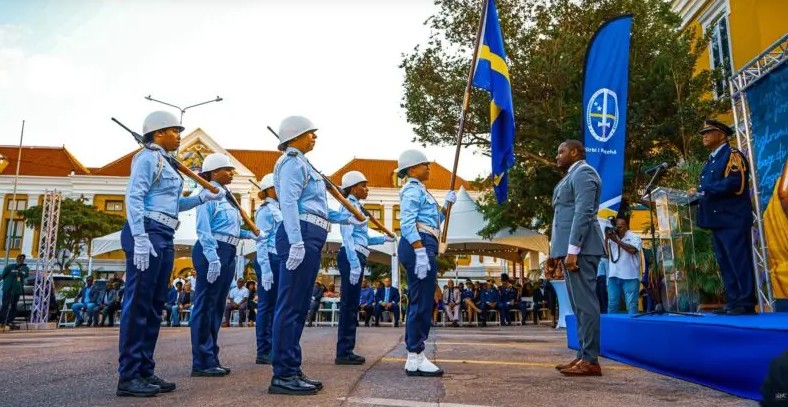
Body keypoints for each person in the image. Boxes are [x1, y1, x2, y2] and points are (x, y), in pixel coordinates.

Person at [118, 111, 224, 397]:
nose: (179, 135)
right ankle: (128, 375)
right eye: (174, 130)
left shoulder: (166, 162)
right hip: (147, 231)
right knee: (138, 304)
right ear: (157, 133)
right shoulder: (147, 157)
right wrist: (139, 236)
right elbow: (135, 196)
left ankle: (144, 370)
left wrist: (202, 197)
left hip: (164, 232)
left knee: (154, 306)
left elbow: (173, 204)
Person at [269, 116, 363, 395]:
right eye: (310, 133)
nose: (314, 137)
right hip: (300, 234)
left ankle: (291, 367)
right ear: (295, 135)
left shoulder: (305, 164)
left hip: (312, 232)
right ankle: (283, 374)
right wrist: (296, 241)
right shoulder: (291, 163)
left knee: (298, 306)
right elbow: (287, 201)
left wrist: (348, 218)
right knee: (290, 304)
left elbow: (319, 210)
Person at [191, 153, 262, 377]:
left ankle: (211, 356)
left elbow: (229, 230)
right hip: (212, 250)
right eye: (227, 170)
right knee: (206, 305)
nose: (232, 173)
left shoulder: (228, 197)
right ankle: (201, 361)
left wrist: (251, 235)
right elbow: (204, 229)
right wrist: (212, 257)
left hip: (228, 250)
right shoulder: (208, 194)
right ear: (213, 173)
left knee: (217, 305)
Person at [546, 139, 604, 377]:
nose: (557, 156)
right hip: (572, 250)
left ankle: (590, 359)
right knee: (579, 306)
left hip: (583, 248)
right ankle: (582, 354)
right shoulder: (570, 176)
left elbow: (583, 211)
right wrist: (555, 253)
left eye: (561, 151)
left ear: (574, 152)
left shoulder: (584, 173)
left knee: (586, 304)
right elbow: (563, 217)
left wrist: (573, 250)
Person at [396, 148, 456, 377]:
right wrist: (420, 251)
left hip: (424, 241)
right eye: (425, 164)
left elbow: (433, 221)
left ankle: (416, 356)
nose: (429, 168)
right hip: (418, 244)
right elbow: (408, 224)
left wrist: (445, 207)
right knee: (421, 300)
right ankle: (415, 355)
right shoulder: (412, 190)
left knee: (422, 299)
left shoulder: (421, 191)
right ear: (412, 169)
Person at [692, 119, 756, 315]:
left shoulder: (732, 155)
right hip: (717, 220)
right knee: (725, 262)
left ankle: (745, 302)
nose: (704, 135)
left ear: (722, 135)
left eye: (708, 132)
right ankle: (733, 300)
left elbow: (734, 183)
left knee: (738, 260)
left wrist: (703, 190)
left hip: (732, 219)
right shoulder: (711, 160)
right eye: (703, 133)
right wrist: (695, 197)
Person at [335, 170, 394, 365]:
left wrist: (383, 238)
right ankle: (343, 352)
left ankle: (347, 349)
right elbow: (347, 236)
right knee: (348, 305)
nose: (366, 189)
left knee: (352, 305)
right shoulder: (348, 206)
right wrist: (353, 263)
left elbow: (364, 238)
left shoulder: (357, 206)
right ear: (353, 187)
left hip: (359, 253)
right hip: (351, 255)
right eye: (363, 185)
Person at [252, 173, 281, 365]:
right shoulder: (265, 210)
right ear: (270, 189)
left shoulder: (280, 208)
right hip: (269, 258)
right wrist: (265, 268)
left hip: (278, 258)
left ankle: (272, 346)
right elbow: (261, 241)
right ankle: (263, 350)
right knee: (266, 306)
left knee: (275, 306)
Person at [606, 217, 642, 314]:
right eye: (616, 227)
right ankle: (612, 327)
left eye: (620, 227)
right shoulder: (612, 237)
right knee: (612, 304)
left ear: (626, 226)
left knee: (631, 304)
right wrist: (606, 237)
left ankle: (633, 327)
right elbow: (605, 253)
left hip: (630, 276)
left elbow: (633, 250)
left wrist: (617, 241)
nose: (617, 230)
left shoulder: (634, 237)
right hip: (613, 275)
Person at [1, 254, 29, 328]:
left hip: (17, 289)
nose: (21, 259)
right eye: (20, 258)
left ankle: (9, 321)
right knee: (5, 305)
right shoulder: (10, 266)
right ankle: (2, 321)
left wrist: (19, 272)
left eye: (23, 258)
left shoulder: (25, 268)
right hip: (8, 288)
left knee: (13, 305)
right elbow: (3, 276)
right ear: (16, 258)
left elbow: (25, 275)